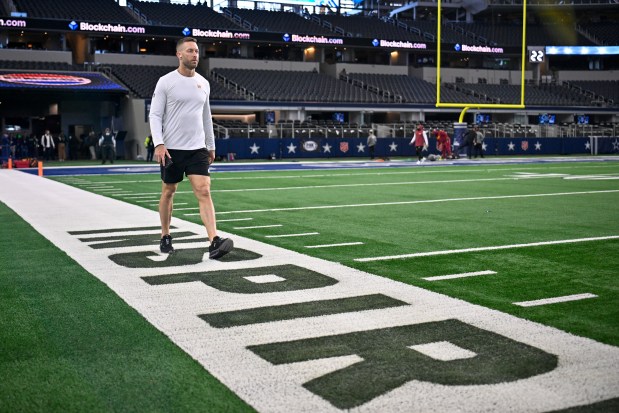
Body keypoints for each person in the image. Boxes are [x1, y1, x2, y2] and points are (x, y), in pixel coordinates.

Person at [149, 36, 233, 260]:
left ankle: (214, 241)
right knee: (169, 191)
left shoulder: (203, 83)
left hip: (197, 149)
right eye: (190, 51)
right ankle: (165, 235)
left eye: (196, 51)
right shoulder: (166, 81)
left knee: (204, 190)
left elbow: (206, 117)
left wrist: (211, 145)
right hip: (172, 150)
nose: (195, 55)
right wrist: (159, 143)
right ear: (179, 54)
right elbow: (155, 115)